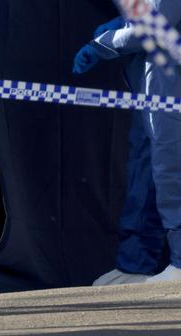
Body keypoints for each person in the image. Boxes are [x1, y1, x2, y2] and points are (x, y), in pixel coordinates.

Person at [73, 1, 181, 284]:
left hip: (169, 81)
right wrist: (119, 26)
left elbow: (155, 26)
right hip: (150, 81)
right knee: (145, 171)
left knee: (171, 169)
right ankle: (136, 263)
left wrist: (104, 43)